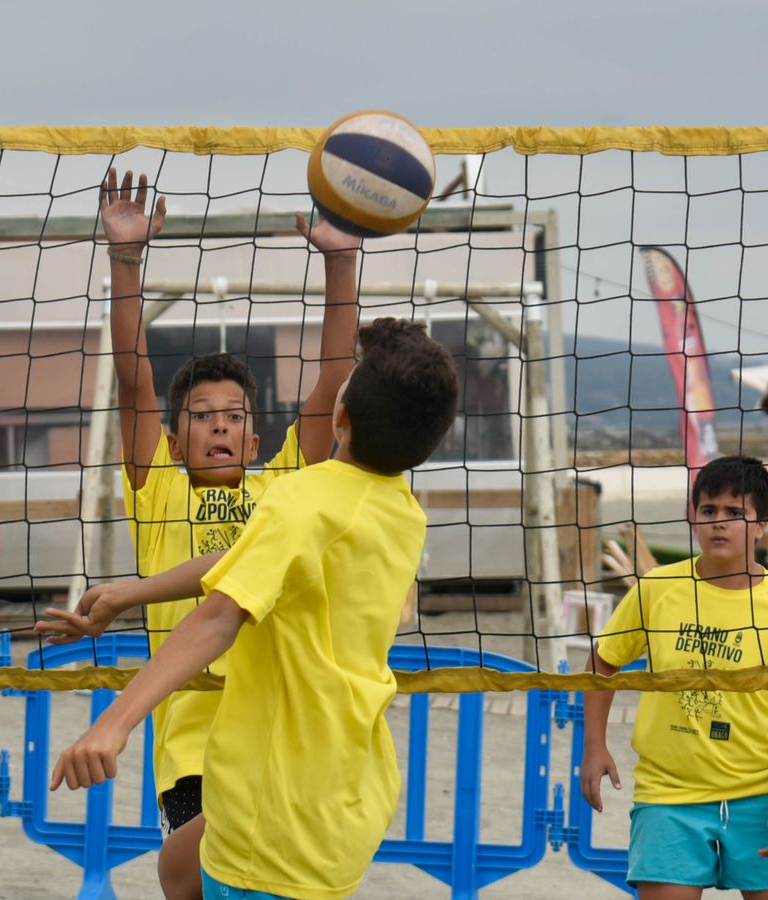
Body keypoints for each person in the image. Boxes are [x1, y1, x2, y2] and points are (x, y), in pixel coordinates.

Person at [48, 318, 460, 900]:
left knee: (187, 871)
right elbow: (242, 555)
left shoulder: (293, 498)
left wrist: (112, 725)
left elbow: (218, 614)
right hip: (349, 789)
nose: (219, 423)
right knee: (178, 869)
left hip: (272, 795)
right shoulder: (401, 512)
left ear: (340, 417)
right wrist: (125, 593)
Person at [61, 168, 363, 897]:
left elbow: (334, 380)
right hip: (193, 728)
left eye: (234, 415)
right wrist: (126, 259)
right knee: (195, 875)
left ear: (256, 441)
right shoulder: (157, 487)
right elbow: (134, 378)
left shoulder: (287, 485)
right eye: (202, 415)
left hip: (278, 721)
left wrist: (342, 261)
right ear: (175, 437)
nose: (220, 424)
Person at [582, 456, 768, 900]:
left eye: (735, 513)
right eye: (708, 511)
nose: (719, 524)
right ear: (695, 519)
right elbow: (602, 663)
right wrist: (594, 745)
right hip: (669, 797)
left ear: (761, 525)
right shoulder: (656, 589)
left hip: (758, 798)